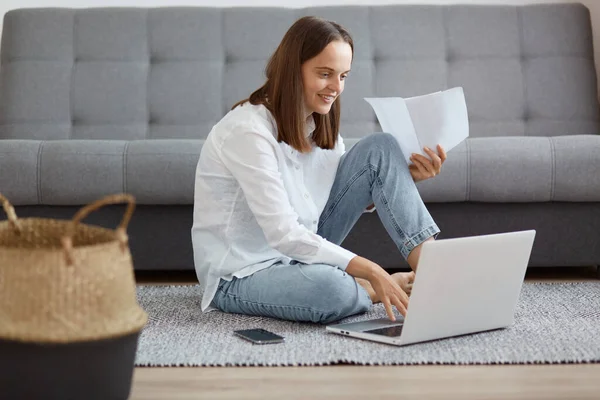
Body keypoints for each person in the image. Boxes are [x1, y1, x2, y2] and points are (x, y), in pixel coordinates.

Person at [192, 16, 446, 324]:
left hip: (298, 252)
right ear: (292, 70)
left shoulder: (320, 127)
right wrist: (372, 272)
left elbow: (332, 200)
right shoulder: (247, 131)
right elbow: (284, 233)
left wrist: (402, 179)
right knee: (334, 291)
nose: (336, 87)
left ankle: (436, 275)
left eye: (343, 76)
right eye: (325, 74)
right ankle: (368, 290)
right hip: (241, 273)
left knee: (382, 147)